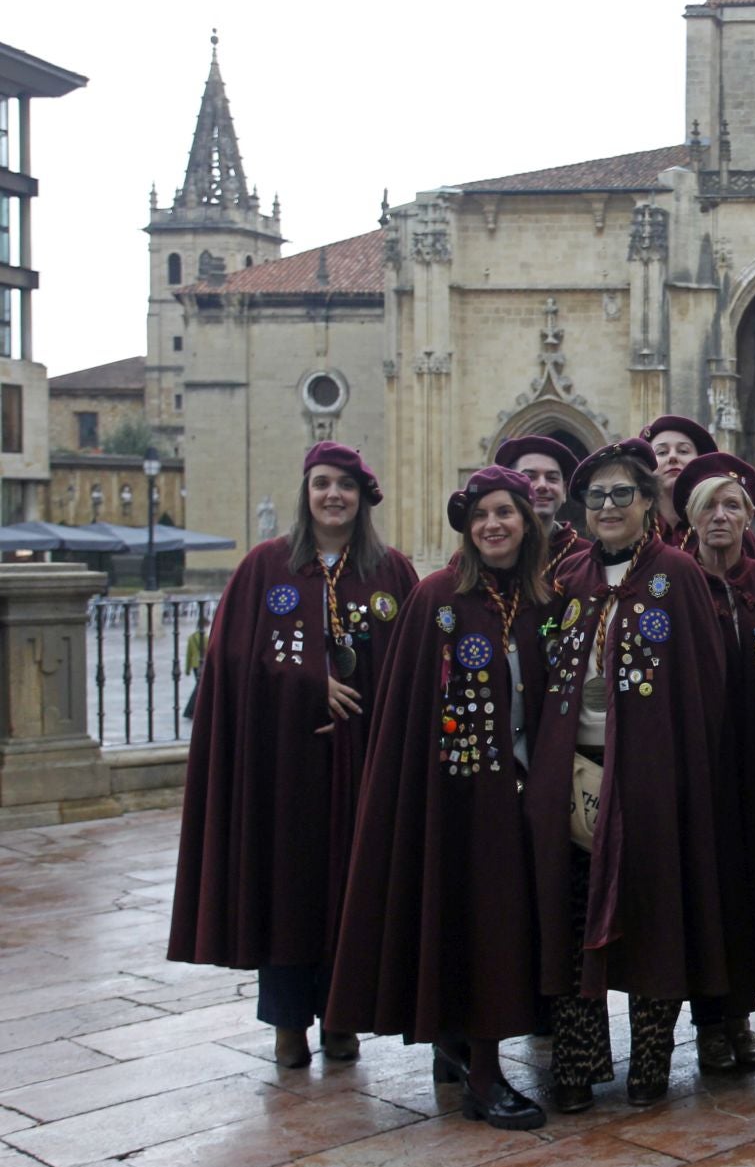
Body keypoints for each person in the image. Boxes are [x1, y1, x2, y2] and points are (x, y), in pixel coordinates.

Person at [169, 442, 417, 1070]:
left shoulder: (390, 572)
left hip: (362, 764)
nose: (334, 495)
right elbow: (230, 660)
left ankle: (342, 1017)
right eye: (322, 484)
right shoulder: (265, 566)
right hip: (284, 767)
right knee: (288, 889)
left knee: (352, 888)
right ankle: (287, 1023)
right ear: (306, 494)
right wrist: (310, 686)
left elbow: (414, 664)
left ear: (363, 498)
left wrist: (363, 709)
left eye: (346, 486)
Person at [326, 466, 555, 1129]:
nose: (493, 525)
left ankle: (459, 1051)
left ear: (526, 523)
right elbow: (411, 707)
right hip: (455, 797)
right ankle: (481, 1072)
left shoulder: (542, 599)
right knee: (469, 921)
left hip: (524, 793)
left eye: (505, 513)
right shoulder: (437, 598)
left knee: (503, 927)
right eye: (481, 515)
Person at [528, 438, 734, 1110]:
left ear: (648, 502)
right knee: (572, 917)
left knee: (653, 914)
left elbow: (704, 685)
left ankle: (651, 1060)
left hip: (651, 777)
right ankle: (579, 1062)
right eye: (597, 496)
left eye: (622, 493)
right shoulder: (570, 576)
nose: (608, 506)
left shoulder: (678, 575)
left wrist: (686, 776)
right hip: (576, 775)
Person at [676, 451, 755, 1072]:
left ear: (749, 517)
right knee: (703, 893)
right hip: (696, 767)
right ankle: (709, 1025)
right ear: (690, 518)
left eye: (732, 505)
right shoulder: (673, 582)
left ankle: (740, 1018)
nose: (720, 516)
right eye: (708, 506)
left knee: (746, 892)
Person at [644, 414, 755, 560]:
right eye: (662, 452)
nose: (672, 457)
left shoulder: (728, 526)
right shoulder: (638, 527)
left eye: (683, 451)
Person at [496, 433, 590, 581]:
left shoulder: (587, 556)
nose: (542, 485)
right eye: (530, 477)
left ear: (564, 491)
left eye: (552, 478)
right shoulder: (487, 550)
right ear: (508, 487)